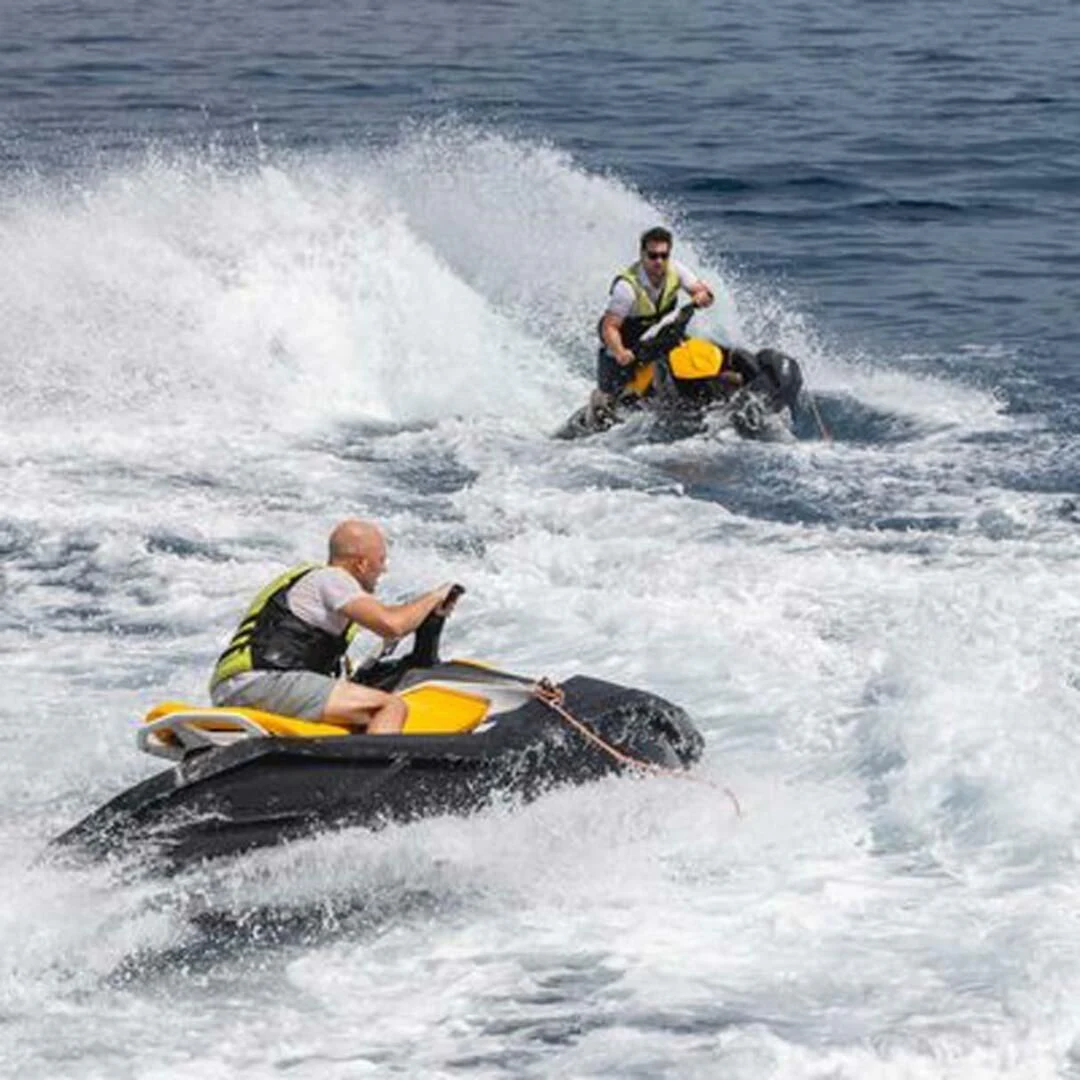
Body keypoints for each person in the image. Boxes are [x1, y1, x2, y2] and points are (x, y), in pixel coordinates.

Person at [208, 519, 458, 733]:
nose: (384, 568)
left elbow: (395, 624)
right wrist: (436, 595)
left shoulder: (318, 592)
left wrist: (433, 619)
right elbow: (392, 624)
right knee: (388, 707)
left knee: (360, 706)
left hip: (241, 686)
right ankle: (373, 787)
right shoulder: (332, 579)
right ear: (361, 564)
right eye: (381, 560)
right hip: (262, 683)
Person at [593, 227, 715, 413]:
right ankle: (599, 402)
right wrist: (620, 352)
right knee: (609, 398)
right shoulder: (626, 287)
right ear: (642, 254)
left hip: (659, 336)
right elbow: (610, 327)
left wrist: (703, 296)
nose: (659, 261)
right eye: (652, 256)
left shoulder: (676, 270)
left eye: (664, 255)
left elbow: (702, 291)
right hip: (627, 342)